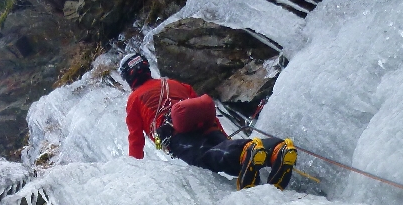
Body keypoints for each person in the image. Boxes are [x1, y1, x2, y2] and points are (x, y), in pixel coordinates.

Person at [120, 52, 297, 190]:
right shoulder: (174, 83)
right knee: (229, 154)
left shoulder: (134, 99)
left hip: (178, 134)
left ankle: (247, 150)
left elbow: (136, 139)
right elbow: (205, 112)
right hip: (206, 125)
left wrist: (134, 171)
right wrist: (223, 136)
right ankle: (275, 149)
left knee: (207, 157)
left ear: (128, 76)